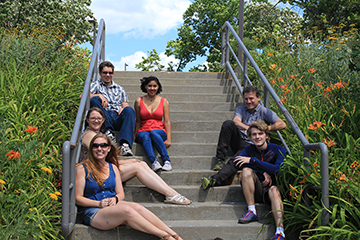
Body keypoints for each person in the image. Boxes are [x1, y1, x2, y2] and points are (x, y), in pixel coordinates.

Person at [75, 134, 184, 240]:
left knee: (138, 207)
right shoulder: (82, 168)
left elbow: (120, 194)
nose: (99, 148)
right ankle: (165, 236)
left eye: (103, 145)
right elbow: (78, 198)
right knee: (127, 210)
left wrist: (115, 199)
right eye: (95, 146)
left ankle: (174, 235)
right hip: (93, 211)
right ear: (91, 149)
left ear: (108, 148)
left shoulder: (113, 168)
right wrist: (98, 203)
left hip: (112, 204)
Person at [80, 107, 191, 205]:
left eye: (99, 118)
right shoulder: (89, 135)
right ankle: (170, 193)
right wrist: (127, 162)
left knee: (140, 163)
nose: (96, 121)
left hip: (103, 169)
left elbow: (107, 160)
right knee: (137, 167)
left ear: (103, 120)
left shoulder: (99, 134)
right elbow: (100, 157)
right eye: (93, 118)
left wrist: (131, 161)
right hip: (95, 174)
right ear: (87, 120)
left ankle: (171, 192)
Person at [205, 120, 286, 240]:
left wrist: (254, 161)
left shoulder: (278, 149)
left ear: (267, 135)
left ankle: (280, 232)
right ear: (250, 137)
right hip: (256, 188)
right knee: (246, 170)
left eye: (260, 133)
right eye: (254, 134)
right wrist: (263, 171)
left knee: (274, 190)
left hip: (272, 191)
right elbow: (239, 163)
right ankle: (251, 210)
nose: (257, 137)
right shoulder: (248, 150)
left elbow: (277, 170)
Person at [212, 86, 286, 171]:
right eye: (246, 99)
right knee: (228, 124)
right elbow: (236, 121)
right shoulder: (241, 109)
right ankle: (220, 159)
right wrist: (249, 129)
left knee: (237, 159)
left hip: (252, 144)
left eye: (251, 98)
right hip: (239, 140)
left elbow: (282, 124)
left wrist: (264, 129)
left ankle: (220, 175)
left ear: (258, 98)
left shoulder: (264, 111)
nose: (248, 101)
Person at [89, 61, 135, 156]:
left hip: (117, 116)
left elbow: (125, 104)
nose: (108, 75)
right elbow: (83, 96)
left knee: (130, 110)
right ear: (100, 73)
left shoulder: (120, 89)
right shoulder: (96, 85)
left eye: (110, 73)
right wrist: (98, 95)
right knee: (94, 99)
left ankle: (125, 145)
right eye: (105, 72)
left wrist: (124, 108)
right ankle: (108, 133)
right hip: (104, 116)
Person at [134, 76, 172, 171]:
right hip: (143, 130)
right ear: (145, 87)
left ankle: (167, 161)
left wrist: (169, 139)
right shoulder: (139, 101)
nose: (152, 88)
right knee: (146, 136)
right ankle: (154, 162)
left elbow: (167, 121)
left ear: (158, 87)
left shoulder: (164, 101)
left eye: (155, 86)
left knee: (153, 133)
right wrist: (134, 136)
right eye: (149, 86)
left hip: (159, 130)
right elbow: (138, 120)